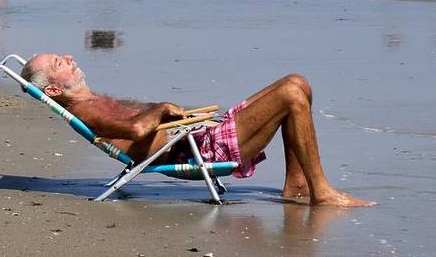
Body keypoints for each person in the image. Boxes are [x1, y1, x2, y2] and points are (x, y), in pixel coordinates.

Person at [20, 53, 375, 208]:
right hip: (200, 151)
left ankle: (297, 183)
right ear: (52, 89)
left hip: (197, 136)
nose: (69, 58)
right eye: (59, 63)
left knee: (298, 83)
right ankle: (321, 192)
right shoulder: (87, 109)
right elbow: (138, 129)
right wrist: (162, 107)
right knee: (292, 95)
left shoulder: (93, 100)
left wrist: (169, 114)